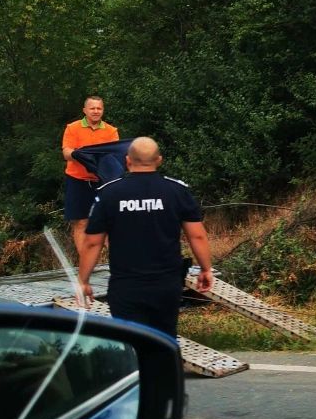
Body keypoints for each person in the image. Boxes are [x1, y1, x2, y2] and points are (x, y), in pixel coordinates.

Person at [77, 137, 213, 337]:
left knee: (131, 345)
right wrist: (206, 269)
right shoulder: (177, 191)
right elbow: (197, 236)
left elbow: (92, 243)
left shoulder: (109, 193)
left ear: (127, 161)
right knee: (164, 342)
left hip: (126, 286)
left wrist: (83, 281)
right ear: (159, 160)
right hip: (166, 285)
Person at [62, 96, 119, 256]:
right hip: (77, 180)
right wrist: (81, 156)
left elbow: (114, 155)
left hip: (103, 181)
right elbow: (66, 152)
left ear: (103, 110)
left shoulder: (111, 131)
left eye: (98, 108)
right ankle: (85, 262)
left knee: (109, 222)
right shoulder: (73, 128)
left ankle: (117, 261)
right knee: (81, 222)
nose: (95, 111)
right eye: (92, 108)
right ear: (85, 110)